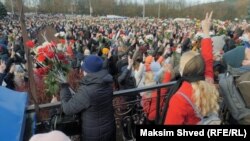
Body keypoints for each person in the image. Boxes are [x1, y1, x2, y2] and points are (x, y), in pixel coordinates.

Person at [163, 12, 220, 125]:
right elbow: (207, 59)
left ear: (183, 70)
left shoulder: (179, 98)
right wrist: (206, 31)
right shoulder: (208, 81)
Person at [60, 55, 116, 141]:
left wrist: (64, 88)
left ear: (88, 71)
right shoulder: (107, 82)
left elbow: (67, 109)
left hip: (94, 135)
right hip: (109, 128)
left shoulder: (87, 91)